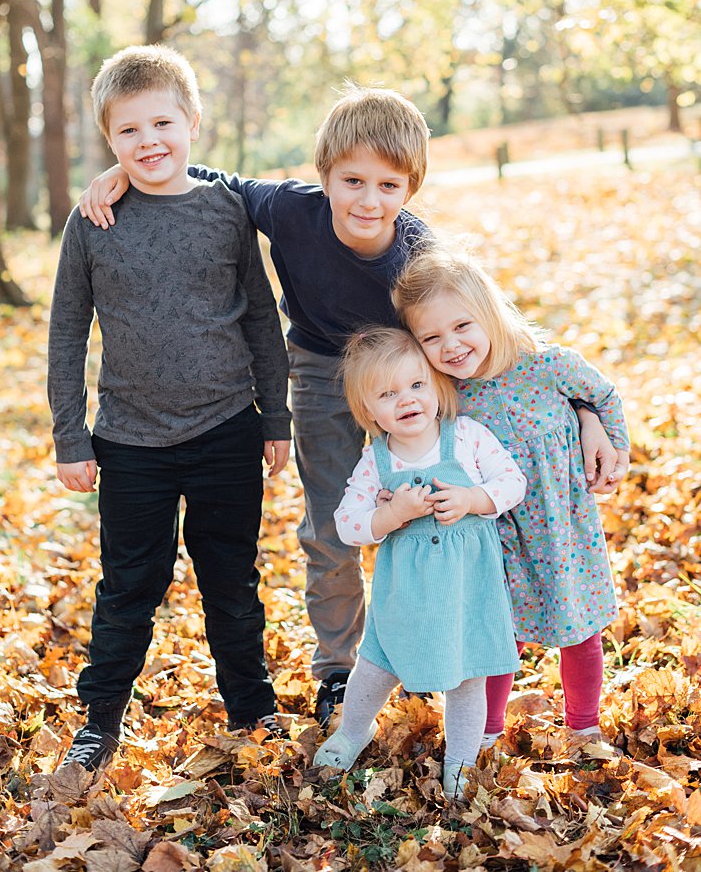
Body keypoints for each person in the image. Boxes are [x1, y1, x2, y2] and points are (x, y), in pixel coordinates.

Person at [75, 85, 624, 726]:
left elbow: (496, 341)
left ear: (410, 189)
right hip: (319, 370)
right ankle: (340, 668)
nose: (369, 200)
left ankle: (425, 656)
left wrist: (583, 410)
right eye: (353, 180)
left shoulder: (423, 256)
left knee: (428, 512)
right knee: (334, 521)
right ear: (325, 175)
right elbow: (201, 172)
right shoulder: (286, 208)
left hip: (413, 376)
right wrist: (124, 167)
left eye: (389, 186)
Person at [48, 46, 292, 776]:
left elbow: (260, 320)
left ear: (192, 120)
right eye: (129, 131)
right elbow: (67, 330)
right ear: (109, 140)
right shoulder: (94, 218)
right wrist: (70, 434)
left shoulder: (225, 210)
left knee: (232, 580)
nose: (148, 141)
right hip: (129, 441)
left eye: (163, 122)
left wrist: (274, 416)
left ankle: (253, 705)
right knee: (129, 586)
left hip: (226, 430)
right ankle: (99, 720)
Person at [394, 246, 630, 748]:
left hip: (562, 524)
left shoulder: (548, 365)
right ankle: (485, 730)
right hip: (492, 532)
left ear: (489, 312)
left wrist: (614, 451)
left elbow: (604, 395)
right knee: (497, 634)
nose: (452, 346)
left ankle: (584, 726)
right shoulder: (445, 394)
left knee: (581, 629)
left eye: (462, 326)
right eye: (431, 337)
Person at [312, 328, 526, 801]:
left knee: (468, 674)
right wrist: (391, 514)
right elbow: (348, 524)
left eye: (416, 385)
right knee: (375, 665)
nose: (406, 400)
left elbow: (513, 481)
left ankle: (462, 762)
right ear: (369, 412)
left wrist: (473, 498)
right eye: (388, 394)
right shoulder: (376, 461)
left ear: (436, 385)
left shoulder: (466, 438)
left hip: (468, 586)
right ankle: (354, 731)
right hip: (405, 591)